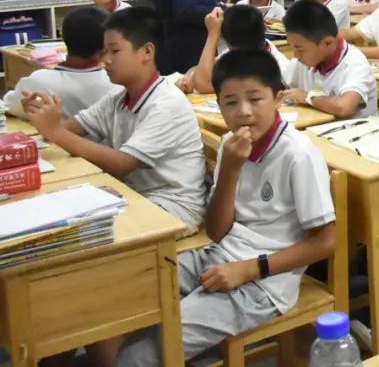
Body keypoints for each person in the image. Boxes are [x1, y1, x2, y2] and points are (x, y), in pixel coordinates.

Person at [114, 49, 337, 367]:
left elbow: (326, 241)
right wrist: (230, 168)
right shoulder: (231, 147)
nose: (244, 112)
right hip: (217, 255)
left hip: (264, 283)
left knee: (138, 356)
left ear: (278, 99)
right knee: (120, 297)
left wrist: (249, 269)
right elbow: (218, 231)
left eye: (255, 99)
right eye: (231, 102)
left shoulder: (298, 155)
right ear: (218, 106)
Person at [22, 7, 207, 234]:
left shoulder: (167, 103)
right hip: (132, 194)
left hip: (172, 207)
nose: (105, 60)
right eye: (104, 52)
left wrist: (54, 131)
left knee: (78, 234)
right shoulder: (118, 99)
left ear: (147, 52)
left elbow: (121, 164)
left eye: (114, 51)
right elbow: (68, 130)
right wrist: (43, 115)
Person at [4, 7, 121, 118]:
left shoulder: (38, 80)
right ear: (105, 49)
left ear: (63, 37)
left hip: (49, 132)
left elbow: (10, 105)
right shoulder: (116, 85)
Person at [281, 0, 377, 118]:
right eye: (292, 48)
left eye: (300, 49)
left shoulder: (355, 63)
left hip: (356, 128)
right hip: (318, 125)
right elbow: (283, 83)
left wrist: (307, 97)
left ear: (328, 43)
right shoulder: (305, 59)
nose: (295, 55)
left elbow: (345, 107)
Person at [184, 5, 291, 95]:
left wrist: (212, 34)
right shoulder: (240, 52)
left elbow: (202, 84)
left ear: (228, 43)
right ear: (265, 27)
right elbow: (200, 70)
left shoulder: (277, 68)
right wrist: (186, 79)